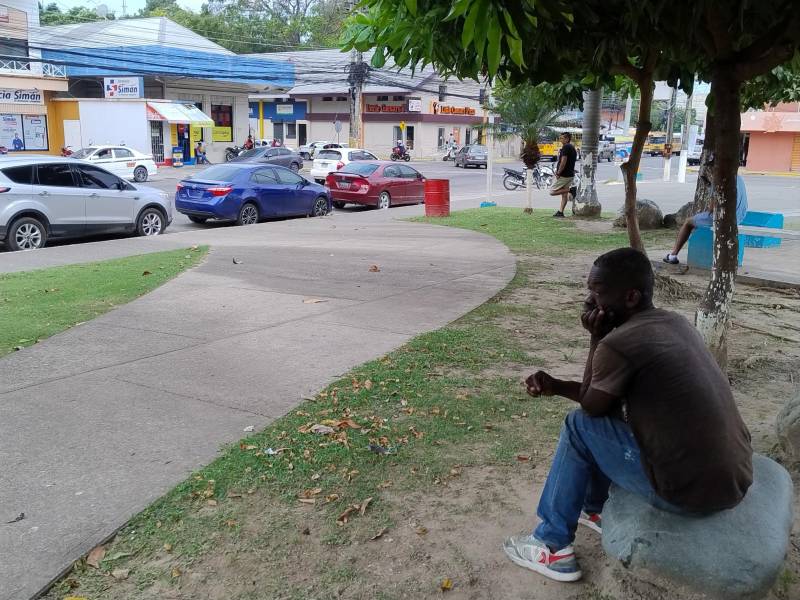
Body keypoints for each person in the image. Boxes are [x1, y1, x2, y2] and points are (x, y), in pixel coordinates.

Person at [504, 247, 753, 583]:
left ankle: (551, 544)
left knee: (578, 426)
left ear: (631, 297)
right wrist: (557, 385)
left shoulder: (619, 343)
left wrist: (596, 339)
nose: (589, 300)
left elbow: (591, 408)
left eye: (598, 291)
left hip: (688, 492)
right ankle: (594, 508)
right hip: (733, 480)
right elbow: (604, 402)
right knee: (604, 424)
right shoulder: (674, 322)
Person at [664, 173, 748, 264]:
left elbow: (712, 208)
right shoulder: (739, 178)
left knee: (688, 222)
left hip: (722, 218)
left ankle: (673, 255)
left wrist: (710, 191)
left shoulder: (719, 179)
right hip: (739, 216)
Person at [549, 132, 577, 217]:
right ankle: (560, 212)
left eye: (562, 138)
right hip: (570, 174)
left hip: (564, 175)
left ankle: (572, 190)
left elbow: (563, 162)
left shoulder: (566, 147)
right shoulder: (572, 147)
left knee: (552, 192)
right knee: (564, 195)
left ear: (567, 139)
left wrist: (558, 173)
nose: (560, 140)